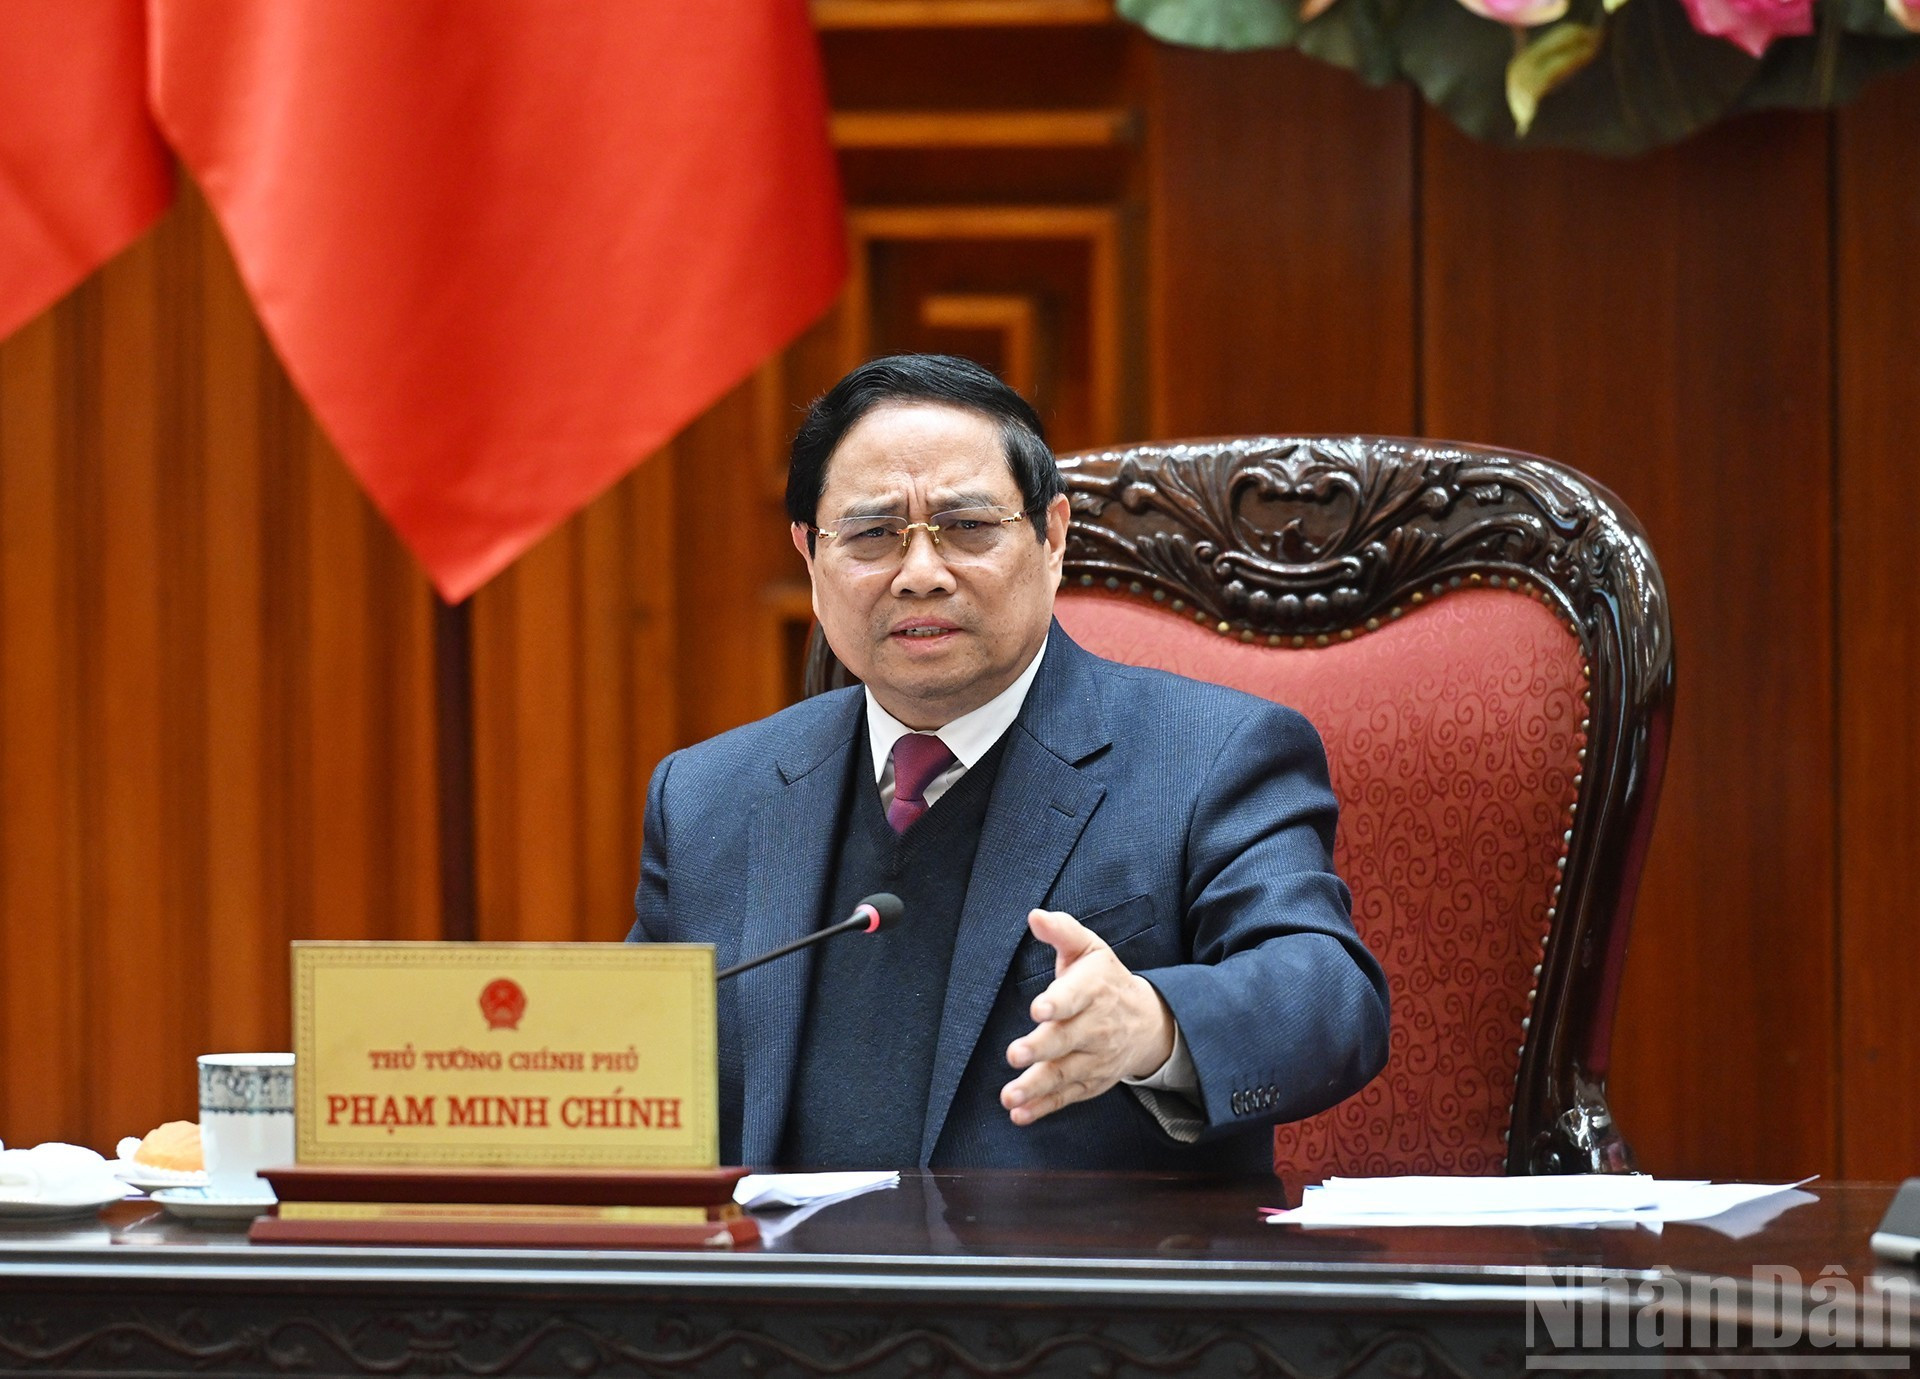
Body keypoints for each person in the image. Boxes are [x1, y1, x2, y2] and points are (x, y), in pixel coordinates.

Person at [629, 354, 1388, 1174]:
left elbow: (1328, 997)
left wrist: (1154, 1022)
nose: (921, 574)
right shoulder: (706, 796)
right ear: (811, 558)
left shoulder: (1211, 756)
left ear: (1052, 536)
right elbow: (625, 1063)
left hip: (1083, 1258)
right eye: (873, 534)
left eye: (967, 526)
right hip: (777, 1260)